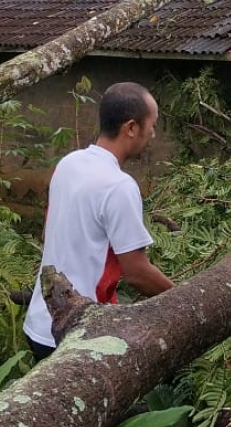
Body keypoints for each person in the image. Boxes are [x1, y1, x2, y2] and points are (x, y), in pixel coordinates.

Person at [23, 81, 174, 360]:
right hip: (77, 332)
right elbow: (137, 272)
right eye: (151, 125)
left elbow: (48, 234)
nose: (153, 134)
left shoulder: (69, 164)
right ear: (130, 127)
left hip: (40, 324)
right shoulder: (119, 185)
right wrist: (183, 299)